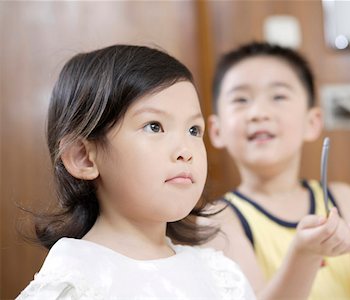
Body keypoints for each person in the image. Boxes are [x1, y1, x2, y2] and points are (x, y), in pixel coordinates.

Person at [17, 45, 255, 300]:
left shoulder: (220, 275)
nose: (186, 150)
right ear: (83, 157)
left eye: (194, 130)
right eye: (154, 127)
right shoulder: (72, 282)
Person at [204, 41, 350, 300]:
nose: (258, 112)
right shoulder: (220, 220)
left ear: (312, 122)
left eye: (279, 96)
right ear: (216, 131)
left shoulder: (342, 197)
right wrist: (304, 256)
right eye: (240, 99)